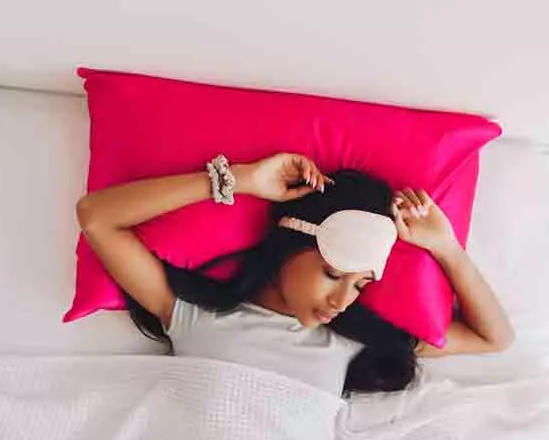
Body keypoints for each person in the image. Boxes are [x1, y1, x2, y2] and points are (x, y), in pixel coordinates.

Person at [76, 153, 514, 397]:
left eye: (361, 284)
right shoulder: (194, 314)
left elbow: (494, 339)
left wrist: (446, 248)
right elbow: (96, 216)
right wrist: (240, 180)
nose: (344, 300)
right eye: (331, 273)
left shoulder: (346, 339)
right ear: (289, 247)